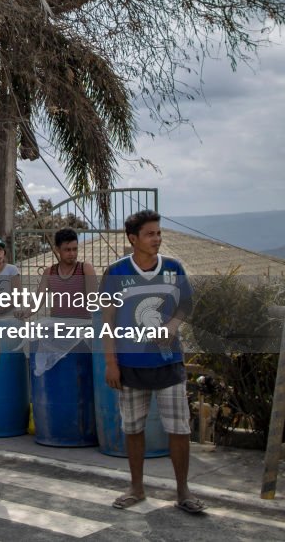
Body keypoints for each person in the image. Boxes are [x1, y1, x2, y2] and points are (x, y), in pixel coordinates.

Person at [101, 209, 205, 514]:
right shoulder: (115, 273)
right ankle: (136, 487)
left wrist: (172, 326)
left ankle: (183, 491)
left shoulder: (173, 268)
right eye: (150, 234)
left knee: (179, 428)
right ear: (133, 238)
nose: (157, 239)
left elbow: (186, 303)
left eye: (159, 233)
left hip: (169, 364)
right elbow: (106, 321)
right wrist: (111, 363)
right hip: (130, 367)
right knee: (133, 429)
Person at [40, 228, 97, 319]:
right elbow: (38, 299)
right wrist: (25, 313)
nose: (72, 254)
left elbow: (93, 300)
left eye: (75, 249)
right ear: (57, 249)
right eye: (67, 250)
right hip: (57, 324)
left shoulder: (85, 269)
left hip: (82, 325)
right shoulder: (49, 272)